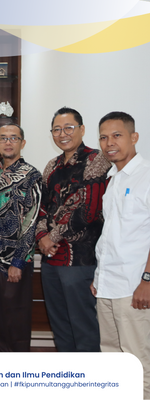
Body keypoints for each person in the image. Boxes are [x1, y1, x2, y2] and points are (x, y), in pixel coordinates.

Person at [35, 107, 110, 352]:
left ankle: (87, 375)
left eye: (68, 128)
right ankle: (68, 373)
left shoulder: (96, 160)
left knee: (84, 325)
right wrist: (41, 237)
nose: (62, 134)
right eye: (56, 129)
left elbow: (88, 210)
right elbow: (43, 207)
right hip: (50, 260)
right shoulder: (52, 166)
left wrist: (52, 237)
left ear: (82, 129)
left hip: (80, 260)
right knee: (60, 326)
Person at [91, 111, 150, 398]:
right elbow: (111, 235)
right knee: (112, 361)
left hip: (134, 287)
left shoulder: (146, 176)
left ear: (134, 137)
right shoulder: (113, 179)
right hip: (108, 286)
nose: (109, 143)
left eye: (117, 135)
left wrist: (147, 280)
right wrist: (99, 277)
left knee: (137, 363)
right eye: (103, 137)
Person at [0, 124, 42, 352]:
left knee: (15, 320)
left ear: (23, 143)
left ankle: (18, 369)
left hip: (15, 262)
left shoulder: (32, 176)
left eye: (14, 138)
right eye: (3, 138)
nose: (8, 142)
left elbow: (32, 220)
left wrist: (18, 262)